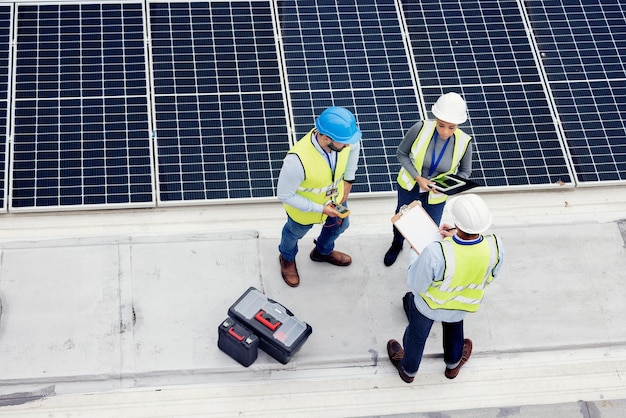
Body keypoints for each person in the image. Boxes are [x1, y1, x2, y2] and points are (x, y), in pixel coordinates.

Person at [387, 194, 504, 383]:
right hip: (462, 305)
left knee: (416, 337)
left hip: (428, 307)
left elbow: (415, 284)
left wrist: (414, 251)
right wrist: (455, 238)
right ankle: (452, 365)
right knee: (454, 331)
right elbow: (490, 275)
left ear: (456, 224)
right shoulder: (496, 245)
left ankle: (408, 372)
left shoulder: (436, 252)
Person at [384, 92, 474, 267]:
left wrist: (444, 187)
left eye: (452, 127)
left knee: (431, 229)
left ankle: (418, 258)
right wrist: (418, 178)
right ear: (435, 117)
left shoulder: (465, 142)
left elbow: (464, 172)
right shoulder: (420, 128)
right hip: (410, 186)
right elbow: (401, 154)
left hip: (437, 194)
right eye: (441, 125)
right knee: (403, 219)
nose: (445, 131)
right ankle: (396, 244)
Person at [276, 106, 362, 288]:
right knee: (293, 234)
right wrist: (320, 209)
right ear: (325, 138)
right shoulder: (296, 161)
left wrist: (348, 180)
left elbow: (354, 147)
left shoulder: (344, 141)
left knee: (341, 225)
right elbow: (284, 195)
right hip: (304, 211)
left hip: (335, 199)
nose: (347, 145)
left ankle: (322, 252)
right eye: (344, 143)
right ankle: (287, 257)